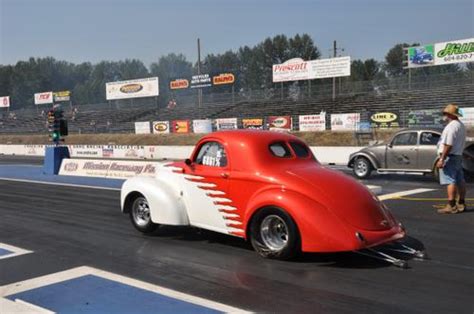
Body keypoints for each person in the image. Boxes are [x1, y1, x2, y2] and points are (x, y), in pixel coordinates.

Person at [436, 104, 467, 214]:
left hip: (450, 156)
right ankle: (461, 203)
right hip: (458, 155)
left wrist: (442, 159)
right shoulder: (460, 125)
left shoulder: (451, 126)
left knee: (450, 180)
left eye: (445, 113)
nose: (444, 116)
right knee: (460, 180)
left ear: (449, 114)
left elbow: (448, 144)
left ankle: (451, 205)